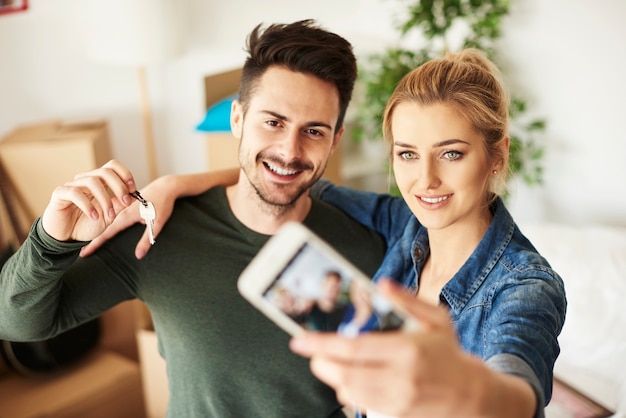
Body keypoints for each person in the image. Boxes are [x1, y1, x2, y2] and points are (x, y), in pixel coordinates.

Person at [89, 48, 567, 418]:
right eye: (406, 154)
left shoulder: (525, 287)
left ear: (497, 155)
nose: (425, 181)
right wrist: (175, 183)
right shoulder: (404, 224)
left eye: (451, 153)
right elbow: (300, 181)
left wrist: (470, 389)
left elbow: (517, 389)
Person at [0, 20, 388, 417]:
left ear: (335, 139)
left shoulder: (367, 247)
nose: (290, 150)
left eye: (314, 131)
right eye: (273, 122)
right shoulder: (159, 231)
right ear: (237, 119)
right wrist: (50, 242)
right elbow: (17, 325)